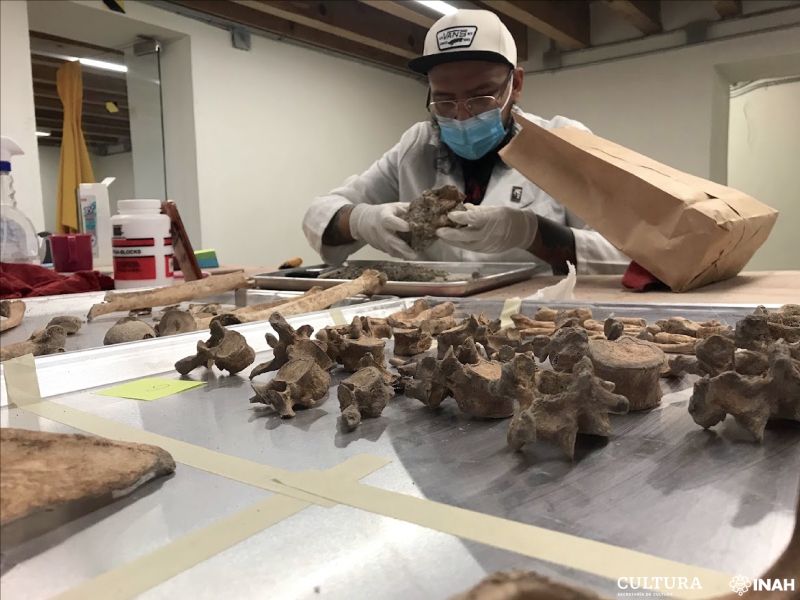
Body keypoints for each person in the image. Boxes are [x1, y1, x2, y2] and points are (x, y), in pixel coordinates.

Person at [303, 9, 629, 275]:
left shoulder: (561, 143)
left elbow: (629, 254)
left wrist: (529, 233)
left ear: (515, 84)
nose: (461, 116)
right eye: (444, 100)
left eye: (479, 97)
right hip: (435, 331)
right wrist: (362, 221)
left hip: (539, 330)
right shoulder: (417, 146)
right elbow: (320, 215)